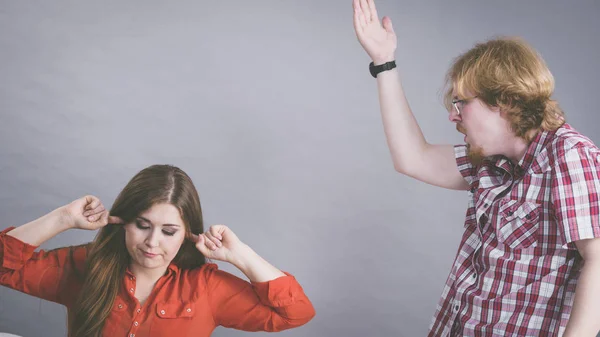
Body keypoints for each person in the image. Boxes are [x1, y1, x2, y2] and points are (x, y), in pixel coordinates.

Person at [352, 0, 600, 336]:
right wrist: (384, 63)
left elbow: (599, 260)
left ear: (505, 100)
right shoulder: (492, 162)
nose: (453, 115)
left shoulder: (569, 155)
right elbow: (412, 158)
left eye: (461, 103)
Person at [0, 164, 315, 337]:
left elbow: (295, 313)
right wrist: (63, 218)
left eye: (168, 231)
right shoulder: (86, 265)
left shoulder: (207, 289)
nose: (152, 242)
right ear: (123, 221)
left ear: (187, 234)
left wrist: (240, 255)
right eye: (142, 225)